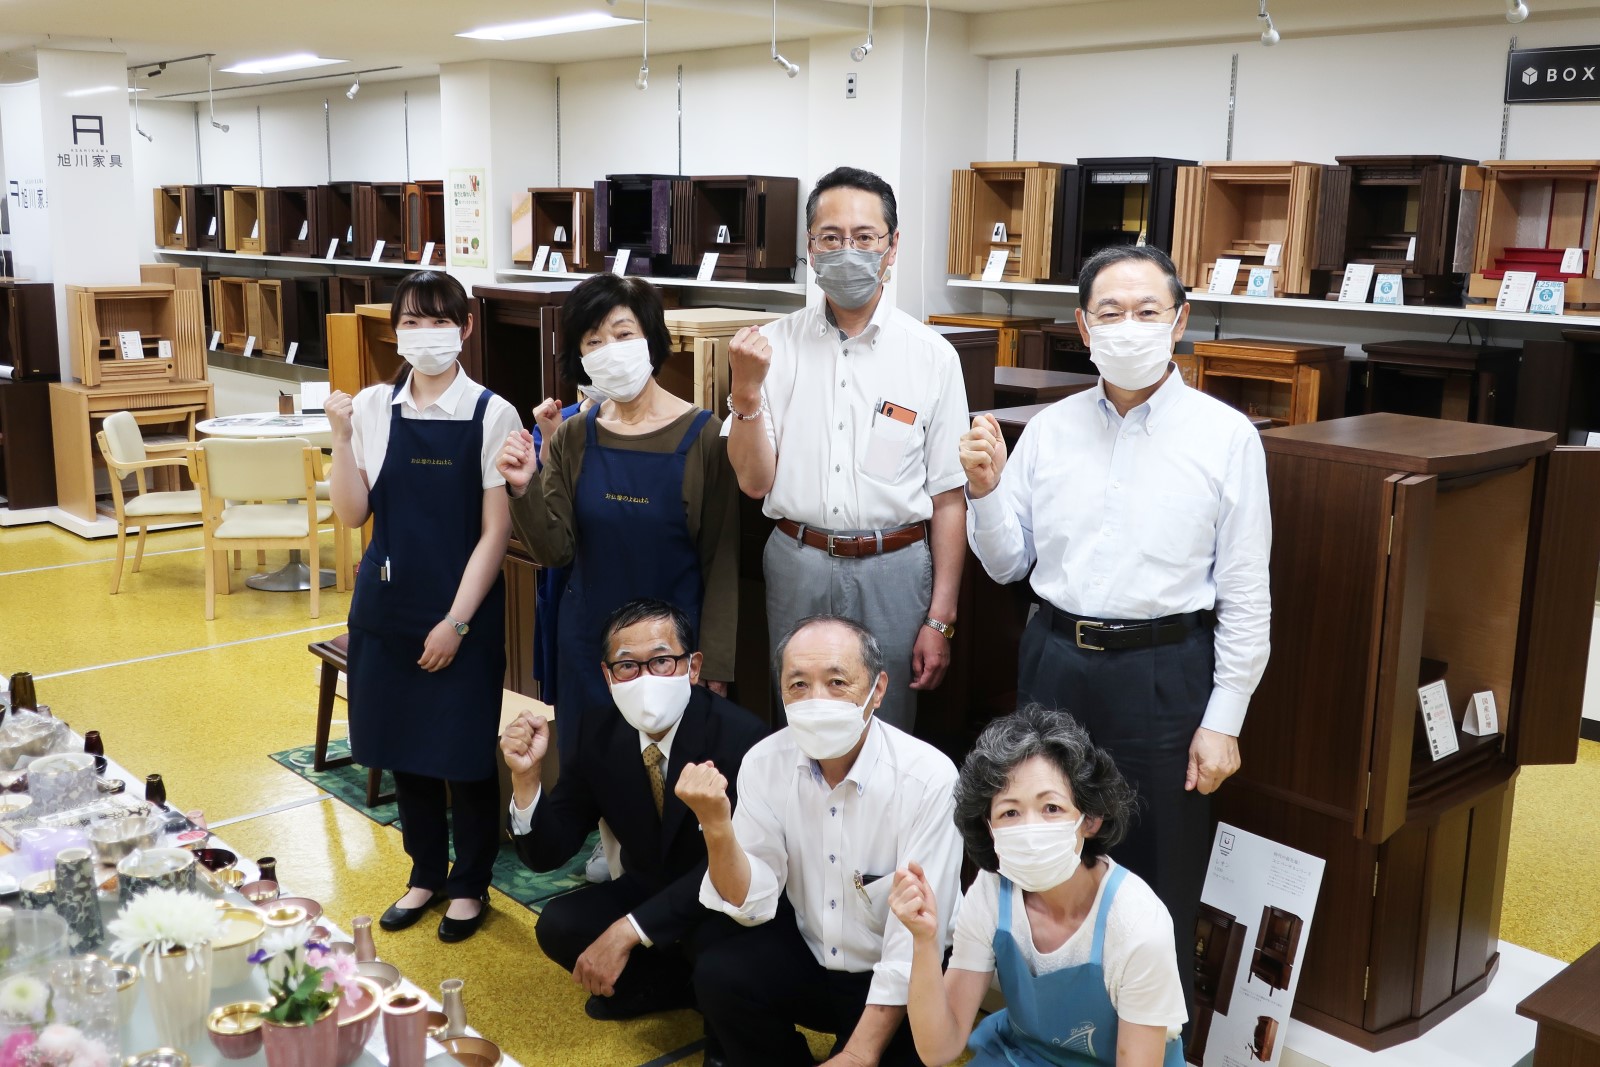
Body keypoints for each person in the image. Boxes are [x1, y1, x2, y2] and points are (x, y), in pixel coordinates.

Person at [960, 243, 1271, 1034]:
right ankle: (1048, 1026)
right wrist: (987, 490)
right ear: (1080, 325)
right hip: (1055, 659)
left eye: (1147, 312)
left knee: (1160, 869)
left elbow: (1245, 593)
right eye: (1109, 312)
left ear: (1180, 321)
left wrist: (1224, 717)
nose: (1128, 327)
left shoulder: (1226, 436)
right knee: (1046, 849)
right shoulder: (1052, 429)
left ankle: (1156, 1044)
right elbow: (1006, 562)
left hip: (1167, 671)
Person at [723, 166, 969, 732]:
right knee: (800, 723)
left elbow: (950, 499)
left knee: (889, 729)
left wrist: (942, 618)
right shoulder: (771, 347)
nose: (847, 251)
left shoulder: (931, 356)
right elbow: (755, 483)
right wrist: (744, 391)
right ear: (810, 248)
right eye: (830, 238)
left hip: (897, 568)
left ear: (892, 246)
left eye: (864, 237)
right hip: (797, 561)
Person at [324, 270, 522, 943]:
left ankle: (470, 882)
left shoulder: (492, 413)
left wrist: (457, 622)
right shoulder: (376, 406)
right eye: (412, 320)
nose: (425, 332)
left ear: (465, 327)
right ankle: (424, 873)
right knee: (404, 747)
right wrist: (339, 436)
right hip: (387, 610)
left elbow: (496, 531)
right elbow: (353, 513)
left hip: (459, 614)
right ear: (396, 328)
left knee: (463, 753)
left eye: (440, 320)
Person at [679, 614, 963, 1067]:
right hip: (811, 956)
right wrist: (717, 826)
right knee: (720, 971)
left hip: (902, 980)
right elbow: (748, 903)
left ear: (878, 689)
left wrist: (858, 1053)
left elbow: (913, 941)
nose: (816, 701)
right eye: (798, 686)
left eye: (837, 682)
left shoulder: (928, 778)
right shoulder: (764, 761)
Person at [497, 273, 739, 763]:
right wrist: (522, 487)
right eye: (593, 340)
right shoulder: (573, 436)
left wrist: (715, 659)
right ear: (580, 357)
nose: (610, 348)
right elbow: (553, 550)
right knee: (595, 773)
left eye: (624, 334)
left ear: (651, 338)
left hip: (670, 653)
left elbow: (722, 558)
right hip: (590, 646)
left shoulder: (705, 435)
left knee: (669, 776)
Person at [502, 598, 765, 1036]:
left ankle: (721, 1016)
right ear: (607, 676)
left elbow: (735, 869)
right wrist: (527, 780)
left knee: (718, 956)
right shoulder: (597, 731)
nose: (645, 679)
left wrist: (629, 930)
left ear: (693, 667)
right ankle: (668, 989)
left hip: (722, 900)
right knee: (559, 926)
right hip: (646, 886)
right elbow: (551, 851)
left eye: (662, 661)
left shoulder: (742, 738)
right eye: (627, 666)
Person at [890, 705, 1186, 1067]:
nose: (1031, 830)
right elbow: (939, 1049)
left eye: (1051, 808)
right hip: (1020, 1057)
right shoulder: (990, 891)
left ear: (1089, 818)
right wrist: (923, 941)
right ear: (988, 827)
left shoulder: (1139, 924)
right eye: (1010, 813)